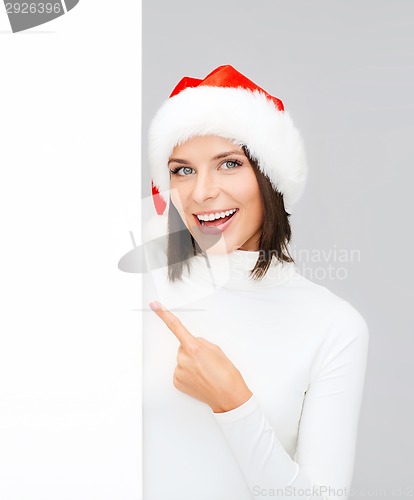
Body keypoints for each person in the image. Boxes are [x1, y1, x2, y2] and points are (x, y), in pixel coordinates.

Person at [144, 65, 369, 500]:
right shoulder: (139, 291)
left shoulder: (335, 327)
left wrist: (233, 402)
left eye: (229, 164)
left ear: (271, 177)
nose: (201, 193)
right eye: (182, 170)